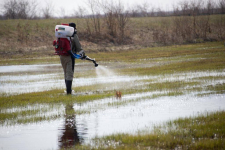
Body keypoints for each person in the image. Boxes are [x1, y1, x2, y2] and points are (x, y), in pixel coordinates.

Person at [59, 23, 85, 94]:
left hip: (62, 57)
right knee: (69, 74)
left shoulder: (62, 35)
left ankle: (67, 90)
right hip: (70, 57)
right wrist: (83, 54)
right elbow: (78, 46)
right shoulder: (73, 35)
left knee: (65, 73)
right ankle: (69, 92)